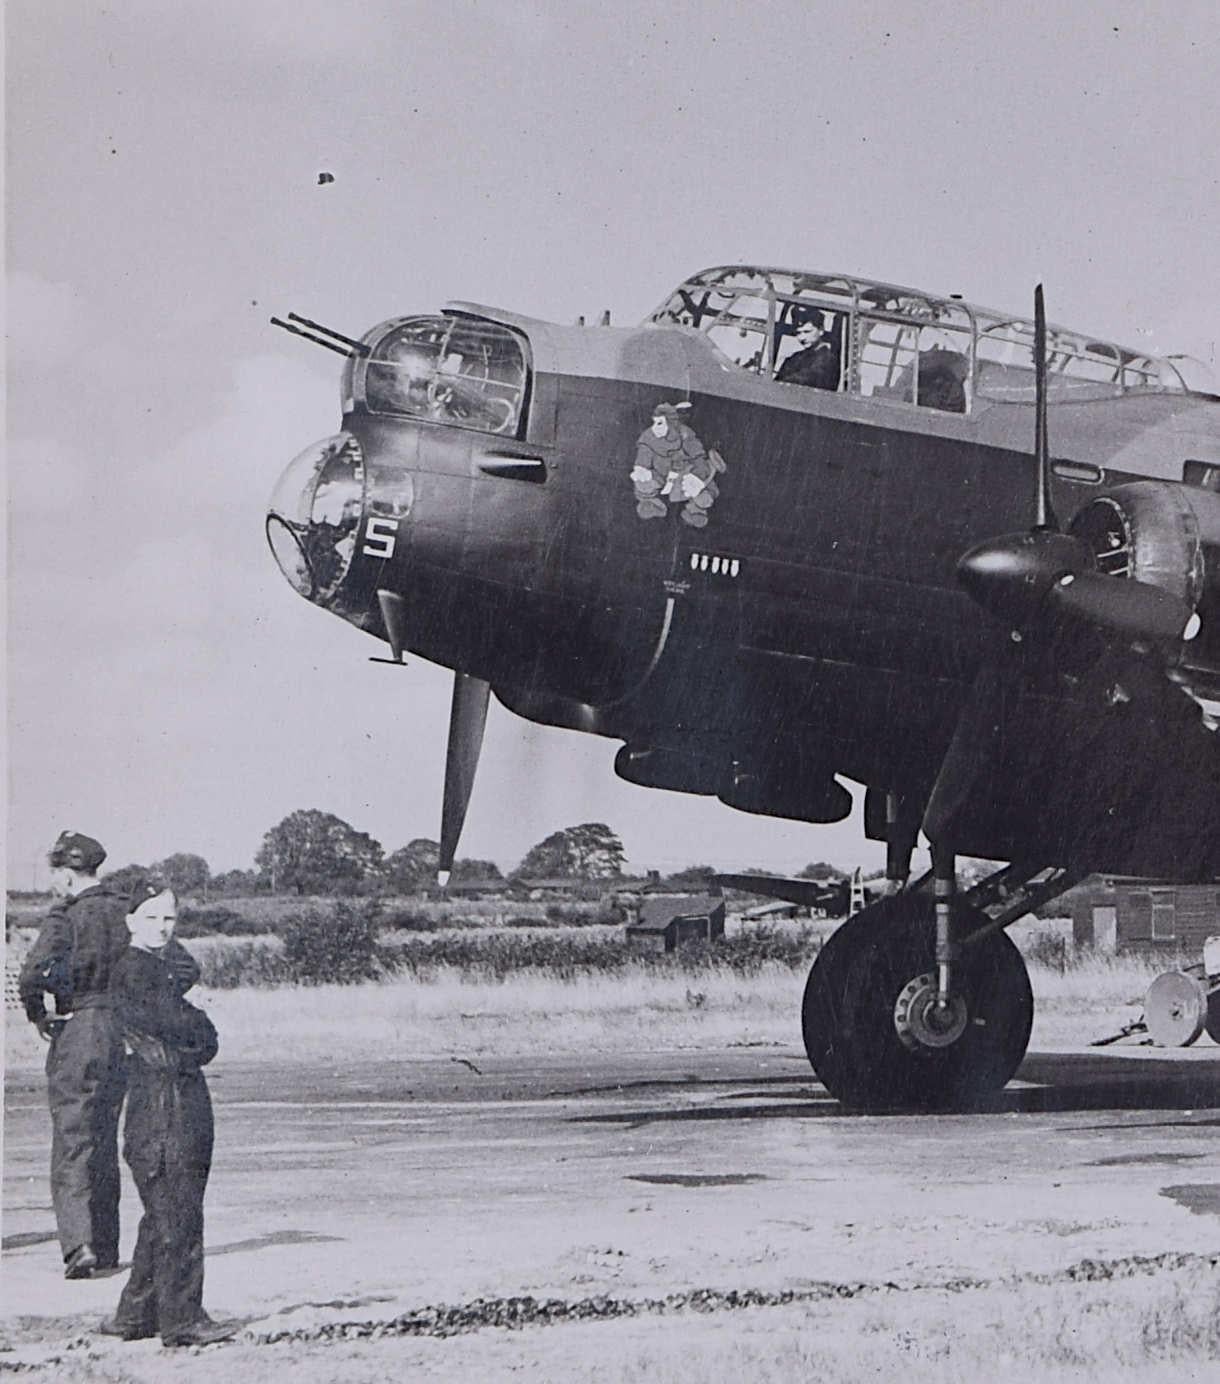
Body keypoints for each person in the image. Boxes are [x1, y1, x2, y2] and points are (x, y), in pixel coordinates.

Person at [18, 832, 199, 1280]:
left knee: (75, 1138)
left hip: (79, 1029)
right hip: (125, 1033)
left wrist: (40, 1015)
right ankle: (107, 1245)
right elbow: (184, 967)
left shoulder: (66, 917)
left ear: (64, 873)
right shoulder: (127, 910)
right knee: (108, 1134)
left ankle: (79, 1245)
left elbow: (30, 976)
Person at [97, 885, 235, 1348]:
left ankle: (136, 1313)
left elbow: (186, 998)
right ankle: (183, 1320)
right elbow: (191, 1030)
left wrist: (193, 1028)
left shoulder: (151, 967)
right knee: (179, 1213)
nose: (162, 928)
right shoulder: (139, 972)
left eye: (170, 919)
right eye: (152, 918)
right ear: (131, 921)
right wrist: (199, 1027)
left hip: (162, 1100)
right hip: (166, 1104)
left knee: (162, 1213)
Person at [776, 313, 842, 391]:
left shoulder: (828, 360)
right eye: (798, 333)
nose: (802, 338)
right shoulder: (796, 357)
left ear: (821, 330)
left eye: (807, 332)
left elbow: (806, 380)